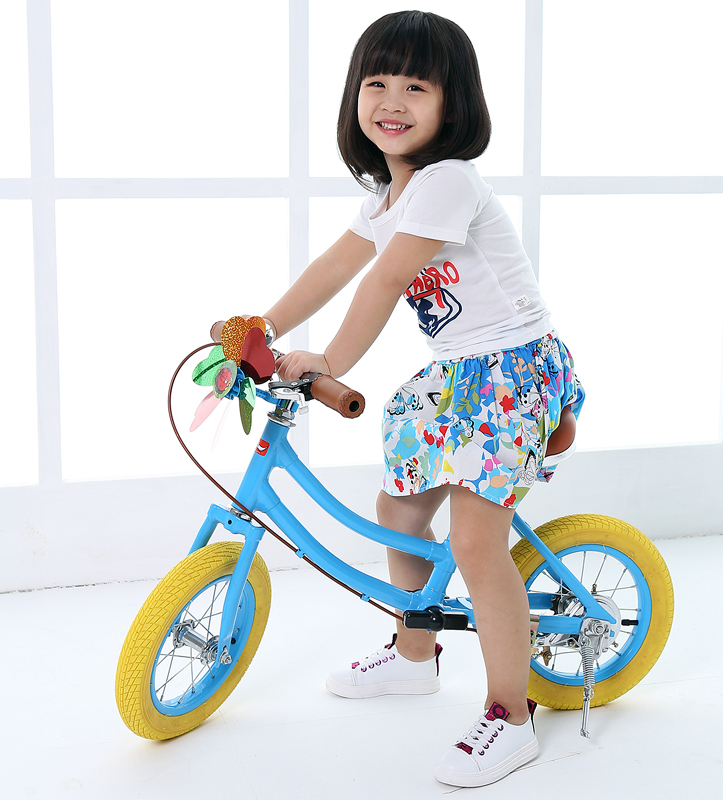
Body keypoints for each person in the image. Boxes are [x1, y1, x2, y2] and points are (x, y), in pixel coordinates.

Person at [214, 10, 584, 788]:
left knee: (476, 544)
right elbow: (337, 265)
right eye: (377, 82)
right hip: (456, 374)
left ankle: (511, 715)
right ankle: (416, 655)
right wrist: (262, 327)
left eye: (416, 87)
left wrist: (328, 360)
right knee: (401, 509)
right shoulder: (387, 193)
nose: (392, 100)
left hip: (509, 374)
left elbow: (387, 279)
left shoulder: (449, 181)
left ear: (454, 103)